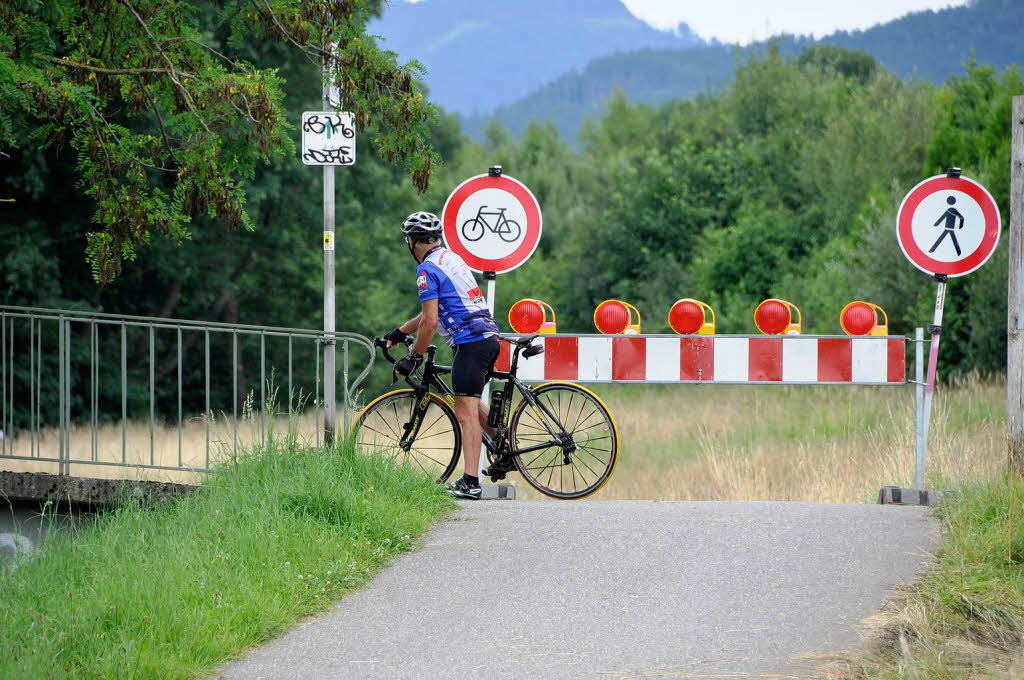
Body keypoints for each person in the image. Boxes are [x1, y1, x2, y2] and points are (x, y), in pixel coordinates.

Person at [384, 211, 501, 500]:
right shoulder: (450, 258)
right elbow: (427, 315)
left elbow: (431, 322)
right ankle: (507, 445)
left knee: (464, 412)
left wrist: (414, 356)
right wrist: (400, 332)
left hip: (471, 342)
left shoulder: (425, 270)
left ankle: (471, 482)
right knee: (470, 403)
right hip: (487, 337)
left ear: (411, 242)